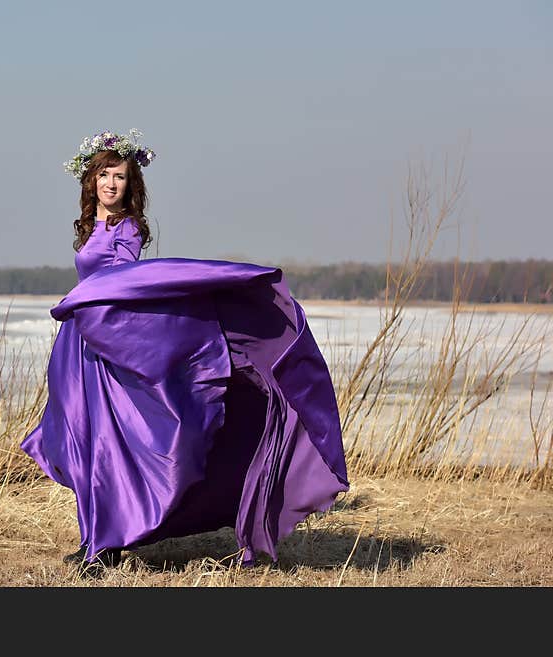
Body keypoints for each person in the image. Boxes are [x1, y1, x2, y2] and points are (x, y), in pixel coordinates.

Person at [21, 130, 349, 577]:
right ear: (90, 180)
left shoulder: (128, 229)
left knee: (112, 448)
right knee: (85, 443)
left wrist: (81, 301)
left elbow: (124, 283)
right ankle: (96, 538)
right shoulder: (90, 226)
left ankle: (105, 546)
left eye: (119, 177)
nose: (111, 185)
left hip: (113, 346)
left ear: (130, 184)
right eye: (103, 175)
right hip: (82, 352)